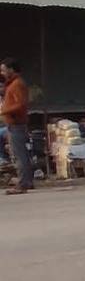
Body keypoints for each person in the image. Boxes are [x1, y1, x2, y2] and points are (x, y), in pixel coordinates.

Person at [1, 58, 33, 194]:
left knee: (19, 155)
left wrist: (4, 111)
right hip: (13, 123)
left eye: (3, 69)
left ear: (11, 69)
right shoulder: (12, 84)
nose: (1, 72)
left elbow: (21, 104)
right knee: (20, 154)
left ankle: (23, 184)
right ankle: (27, 181)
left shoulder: (17, 84)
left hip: (16, 123)